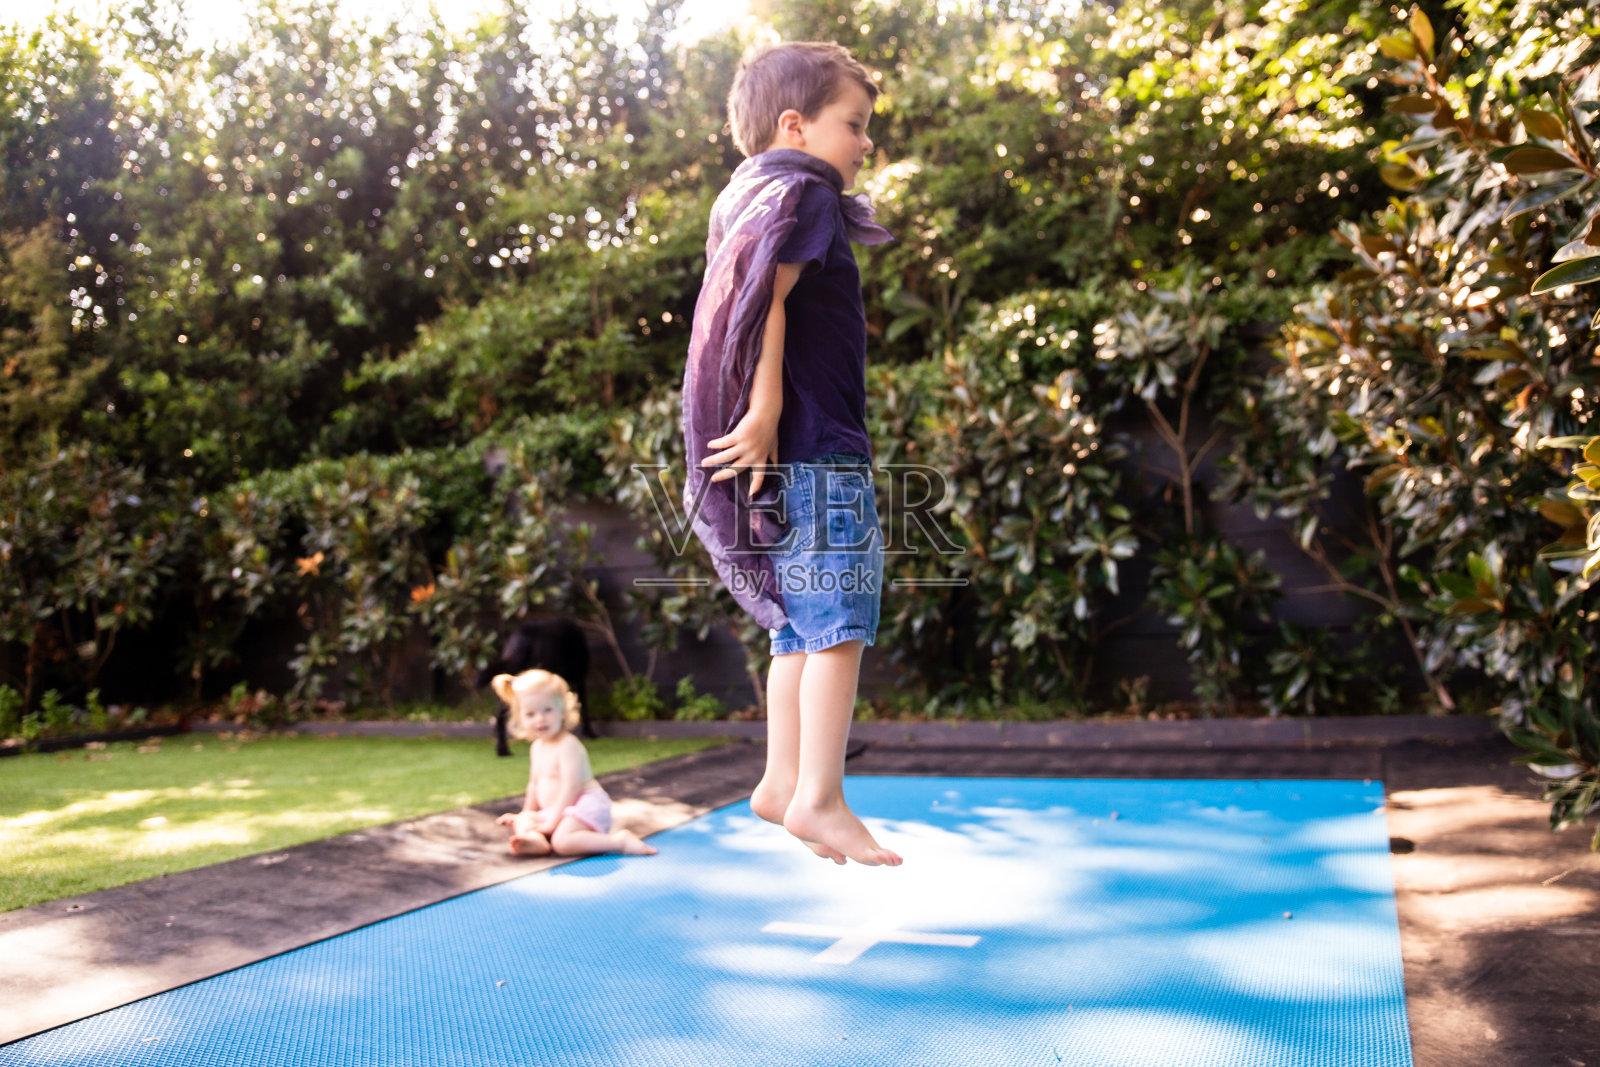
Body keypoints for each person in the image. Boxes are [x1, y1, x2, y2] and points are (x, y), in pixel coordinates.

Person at [681, 41, 901, 867]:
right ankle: (820, 795)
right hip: (818, 447)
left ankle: (780, 779)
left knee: (797, 633)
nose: (864, 142)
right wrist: (768, 402)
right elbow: (765, 298)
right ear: (794, 125)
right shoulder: (803, 189)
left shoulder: (743, 196)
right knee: (840, 620)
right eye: (855, 125)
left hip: (788, 457)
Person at [491, 669, 657, 858]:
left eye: (548, 710)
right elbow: (534, 785)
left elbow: (572, 787)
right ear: (520, 717)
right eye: (531, 714)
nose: (540, 719)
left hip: (585, 806)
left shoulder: (567, 745)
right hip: (558, 811)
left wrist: (552, 823)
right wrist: (525, 814)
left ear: (562, 709)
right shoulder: (536, 747)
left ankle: (619, 841)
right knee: (524, 820)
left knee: (562, 842)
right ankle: (535, 839)